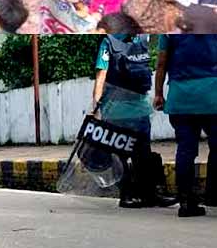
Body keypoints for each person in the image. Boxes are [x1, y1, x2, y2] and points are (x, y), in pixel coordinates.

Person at [91, 31, 176, 209]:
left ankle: (131, 194)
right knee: (141, 153)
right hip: (133, 109)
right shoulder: (141, 38)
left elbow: (101, 75)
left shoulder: (109, 41)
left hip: (122, 109)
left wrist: (95, 109)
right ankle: (147, 194)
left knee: (125, 154)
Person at [153, 35, 217, 217]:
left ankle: (186, 202)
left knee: (185, 150)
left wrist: (158, 93)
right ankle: (213, 195)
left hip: (180, 97)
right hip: (212, 96)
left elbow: (161, 63)